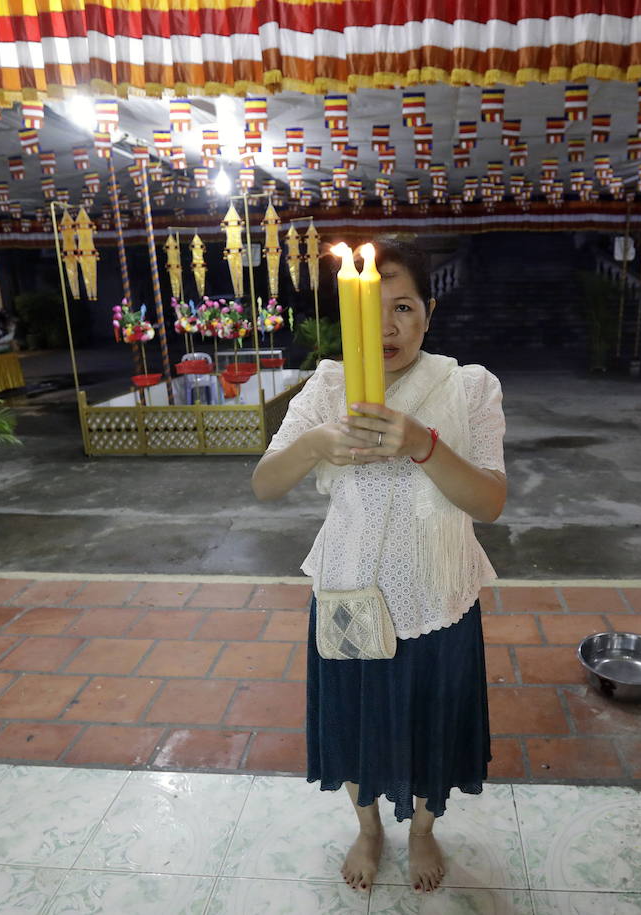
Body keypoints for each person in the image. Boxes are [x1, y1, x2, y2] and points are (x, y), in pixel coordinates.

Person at [252, 237, 507, 895]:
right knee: (356, 719)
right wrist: (316, 442)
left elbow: (489, 500)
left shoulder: (468, 387)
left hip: (438, 595)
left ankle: (423, 826)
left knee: (434, 722)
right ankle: (367, 825)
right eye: (373, 311)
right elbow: (266, 482)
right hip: (349, 595)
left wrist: (423, 443)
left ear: (429, 313)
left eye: (404, 308)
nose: (388, 327)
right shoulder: (328, 386)